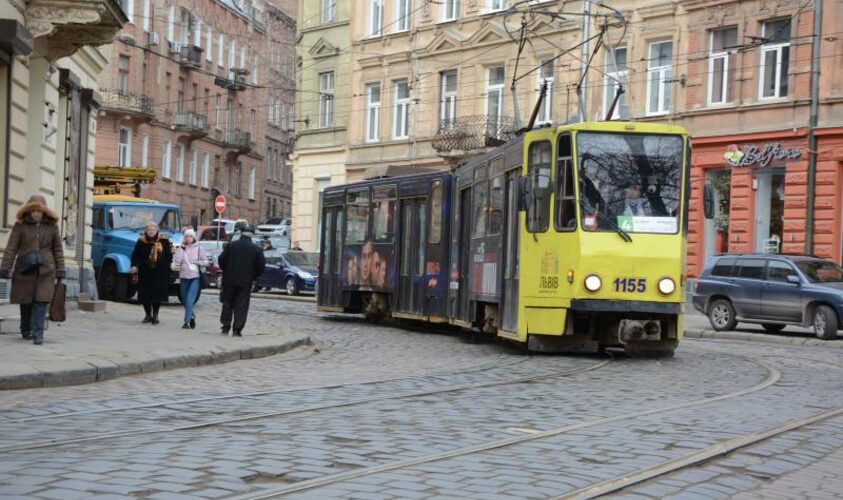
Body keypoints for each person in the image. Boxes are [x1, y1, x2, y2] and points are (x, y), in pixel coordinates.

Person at [0, 195, 65, 345]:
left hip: (46, 270)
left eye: (39, 210)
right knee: (26, 302)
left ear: (44, 212)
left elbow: (58, 250)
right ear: (29, 211)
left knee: (40, 302)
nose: (36, 213)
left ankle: (38, 334)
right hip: (25, 270)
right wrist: (5, 268)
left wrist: (60, 270)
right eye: (33, 210)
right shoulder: (20, 226)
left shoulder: (52, 227)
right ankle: (25, 330)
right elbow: (11, 248)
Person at [218, 225, 265, 336]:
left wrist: (226, 270)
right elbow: (261, 265)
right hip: (246, 281)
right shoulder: (256, 249)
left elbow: (221, 260)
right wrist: (254, 276)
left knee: (227, 303)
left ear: (240, 234)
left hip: (229, 279)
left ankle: (225, 327)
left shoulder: (231, 246)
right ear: (252, 235)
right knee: (242, 304)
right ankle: (237, 330)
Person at [130, 222, 173, 325]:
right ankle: (148, 314)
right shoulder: (141, 241)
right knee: (145, 294)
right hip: (145, 271)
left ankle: (155, 315)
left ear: (157, 231)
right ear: (146, 231)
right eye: (149, 230)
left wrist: (165, 265)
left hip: (159, 271)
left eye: (153, 230)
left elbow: (169, 255)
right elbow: (135, 255)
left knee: (157, 294)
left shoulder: (164, 241)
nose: (151, 232)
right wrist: (134, 265)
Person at [173, 228, 208, 329]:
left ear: (193, 237)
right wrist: (182, 248)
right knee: (184, 299)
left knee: (189, 300)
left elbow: (206, 262)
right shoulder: (182, 248)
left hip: (195, 277)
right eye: (186, 236)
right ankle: (191, 315)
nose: (188, 238)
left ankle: (187, 322)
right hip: (184, 276)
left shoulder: (199, 248)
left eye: (190, 236)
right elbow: (177, 260)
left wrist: (199, 262)